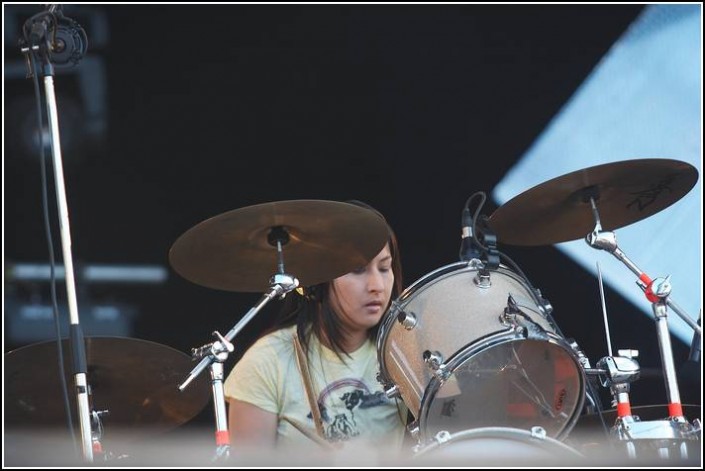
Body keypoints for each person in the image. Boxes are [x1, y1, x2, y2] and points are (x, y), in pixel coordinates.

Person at [223, 201, 407, 457]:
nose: (377, 285)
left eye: (385, 268)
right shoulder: (267, 361)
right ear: (318, 281)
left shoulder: (407, 351)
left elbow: (455, 436)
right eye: (357, 270)